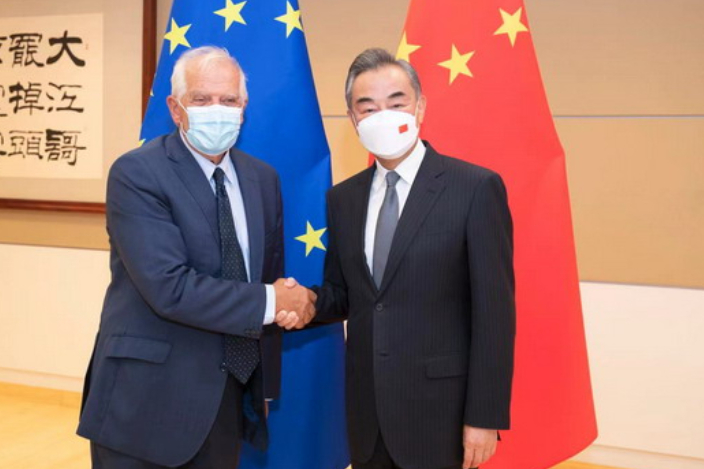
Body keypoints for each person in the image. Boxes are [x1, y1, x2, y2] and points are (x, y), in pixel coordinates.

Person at [77, 46, 315, 469]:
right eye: (201, 100)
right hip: (145, 402)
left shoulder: (262, 178)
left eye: (228, 100)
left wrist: (286, 313)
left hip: (226, 400)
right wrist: (275, 302)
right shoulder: (137, 173)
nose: (217, 111)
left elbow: (266, 276)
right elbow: (169, 287)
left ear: (244, 107)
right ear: (175, 107)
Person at [310, 48, 516, 469]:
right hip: (367, 418)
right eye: (367, 107)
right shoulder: (342, 199)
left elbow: (495, 314)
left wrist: (484, 417)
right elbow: (343, 294)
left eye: (396, 102)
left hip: (441, 416)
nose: (382, 115)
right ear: (353, 119)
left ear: (420, 106)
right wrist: (291, 302)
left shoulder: (474, 188)